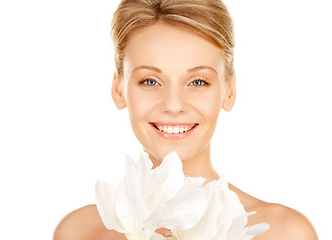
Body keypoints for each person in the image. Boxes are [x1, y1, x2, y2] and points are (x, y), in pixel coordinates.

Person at [53, 0, 318, 239]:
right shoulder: (79, 232)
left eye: (198, 81)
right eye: (150, 81)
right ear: (118, 89)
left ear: (230, 91)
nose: (173, 105)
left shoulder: (284, 233)